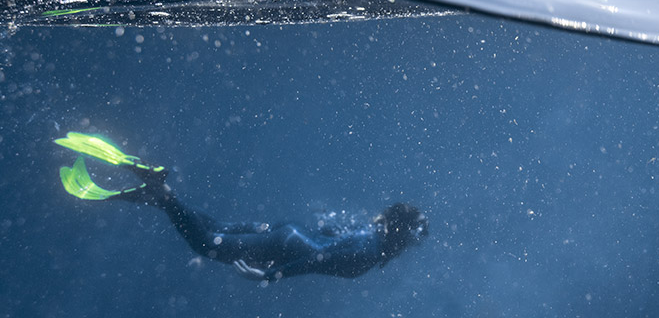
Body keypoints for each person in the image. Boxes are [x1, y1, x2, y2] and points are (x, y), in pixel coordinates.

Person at [54, 131, 428, 283]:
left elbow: (328, 235)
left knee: (213, 227)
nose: (411, 247)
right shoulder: (370, 251)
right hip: (286, 247)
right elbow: (317, 260)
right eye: (413, 241)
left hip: (286, 233)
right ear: (403, 237)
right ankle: (162, 193)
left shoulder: (369, 235)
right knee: (205, 243)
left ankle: (159, 197)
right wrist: (272, 276)